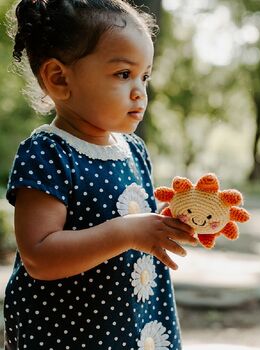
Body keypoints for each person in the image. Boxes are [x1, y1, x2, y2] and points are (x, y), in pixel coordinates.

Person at [3, 0, 198, 349]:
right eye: (123, 74)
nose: (140, 91)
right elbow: (39, 255)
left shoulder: (134, 149)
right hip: (71, 331)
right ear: (59, 79)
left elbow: (138, 224)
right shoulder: (49, 152)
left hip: (133, 321)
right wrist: (126, 233)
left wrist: (171, 224)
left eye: (145, 76)